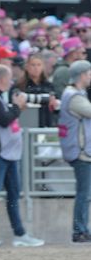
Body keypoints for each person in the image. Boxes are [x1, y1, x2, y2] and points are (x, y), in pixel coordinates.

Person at [0, 65, 44, 248]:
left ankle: (20, 233)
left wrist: (15, 107)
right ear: (2, 79)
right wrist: (18, 106)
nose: (11, 81)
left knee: (13, 193)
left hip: (8, 154)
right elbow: (4, 119)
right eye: (9, 78)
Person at [58, 60, 91, 243]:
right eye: (89, 73)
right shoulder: (74, 96)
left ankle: (83, 229)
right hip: (80, 151)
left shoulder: (75, 93)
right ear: (82, 75)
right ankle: (79, 230)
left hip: (81, 150)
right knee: (84, 193)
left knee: (85, 193)